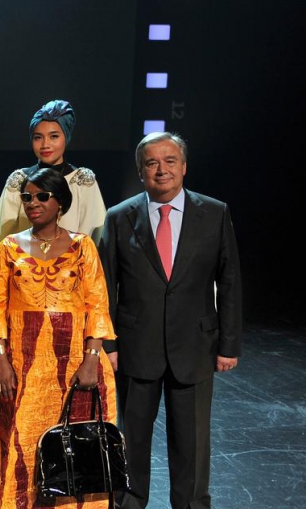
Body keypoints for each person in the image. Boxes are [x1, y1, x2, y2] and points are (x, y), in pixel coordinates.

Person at [99, 132, 242, 509]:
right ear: (141, 171)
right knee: (132, 440)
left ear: (184, 166)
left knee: (192, 443)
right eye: (151, 163)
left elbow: (229, 282)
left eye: (170, 160)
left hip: (195, 347)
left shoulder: (214, 212)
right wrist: (107, 345)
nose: (161, 169)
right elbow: (103, 289)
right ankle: (129, 502)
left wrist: (229, 345)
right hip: (134, 347)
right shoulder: (118, 218)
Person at [0, 168, 117, 508]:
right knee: (20, 445)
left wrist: (91, 361)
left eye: (43, 196)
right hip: (21, 366)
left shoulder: (82, 246)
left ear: (61, 203)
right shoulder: (10, 248)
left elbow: (97, 303)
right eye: (27, 197)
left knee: (78, 449)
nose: (33, 203)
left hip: (75, 365)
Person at [0, 99, 106, 248]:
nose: (45, 144)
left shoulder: (82, 180)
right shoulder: (19, 180)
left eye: (54, 136)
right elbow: (2, 238)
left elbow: (95, 236)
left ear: (66, 137)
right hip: (24, 266)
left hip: (72, 265)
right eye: (38, 137)